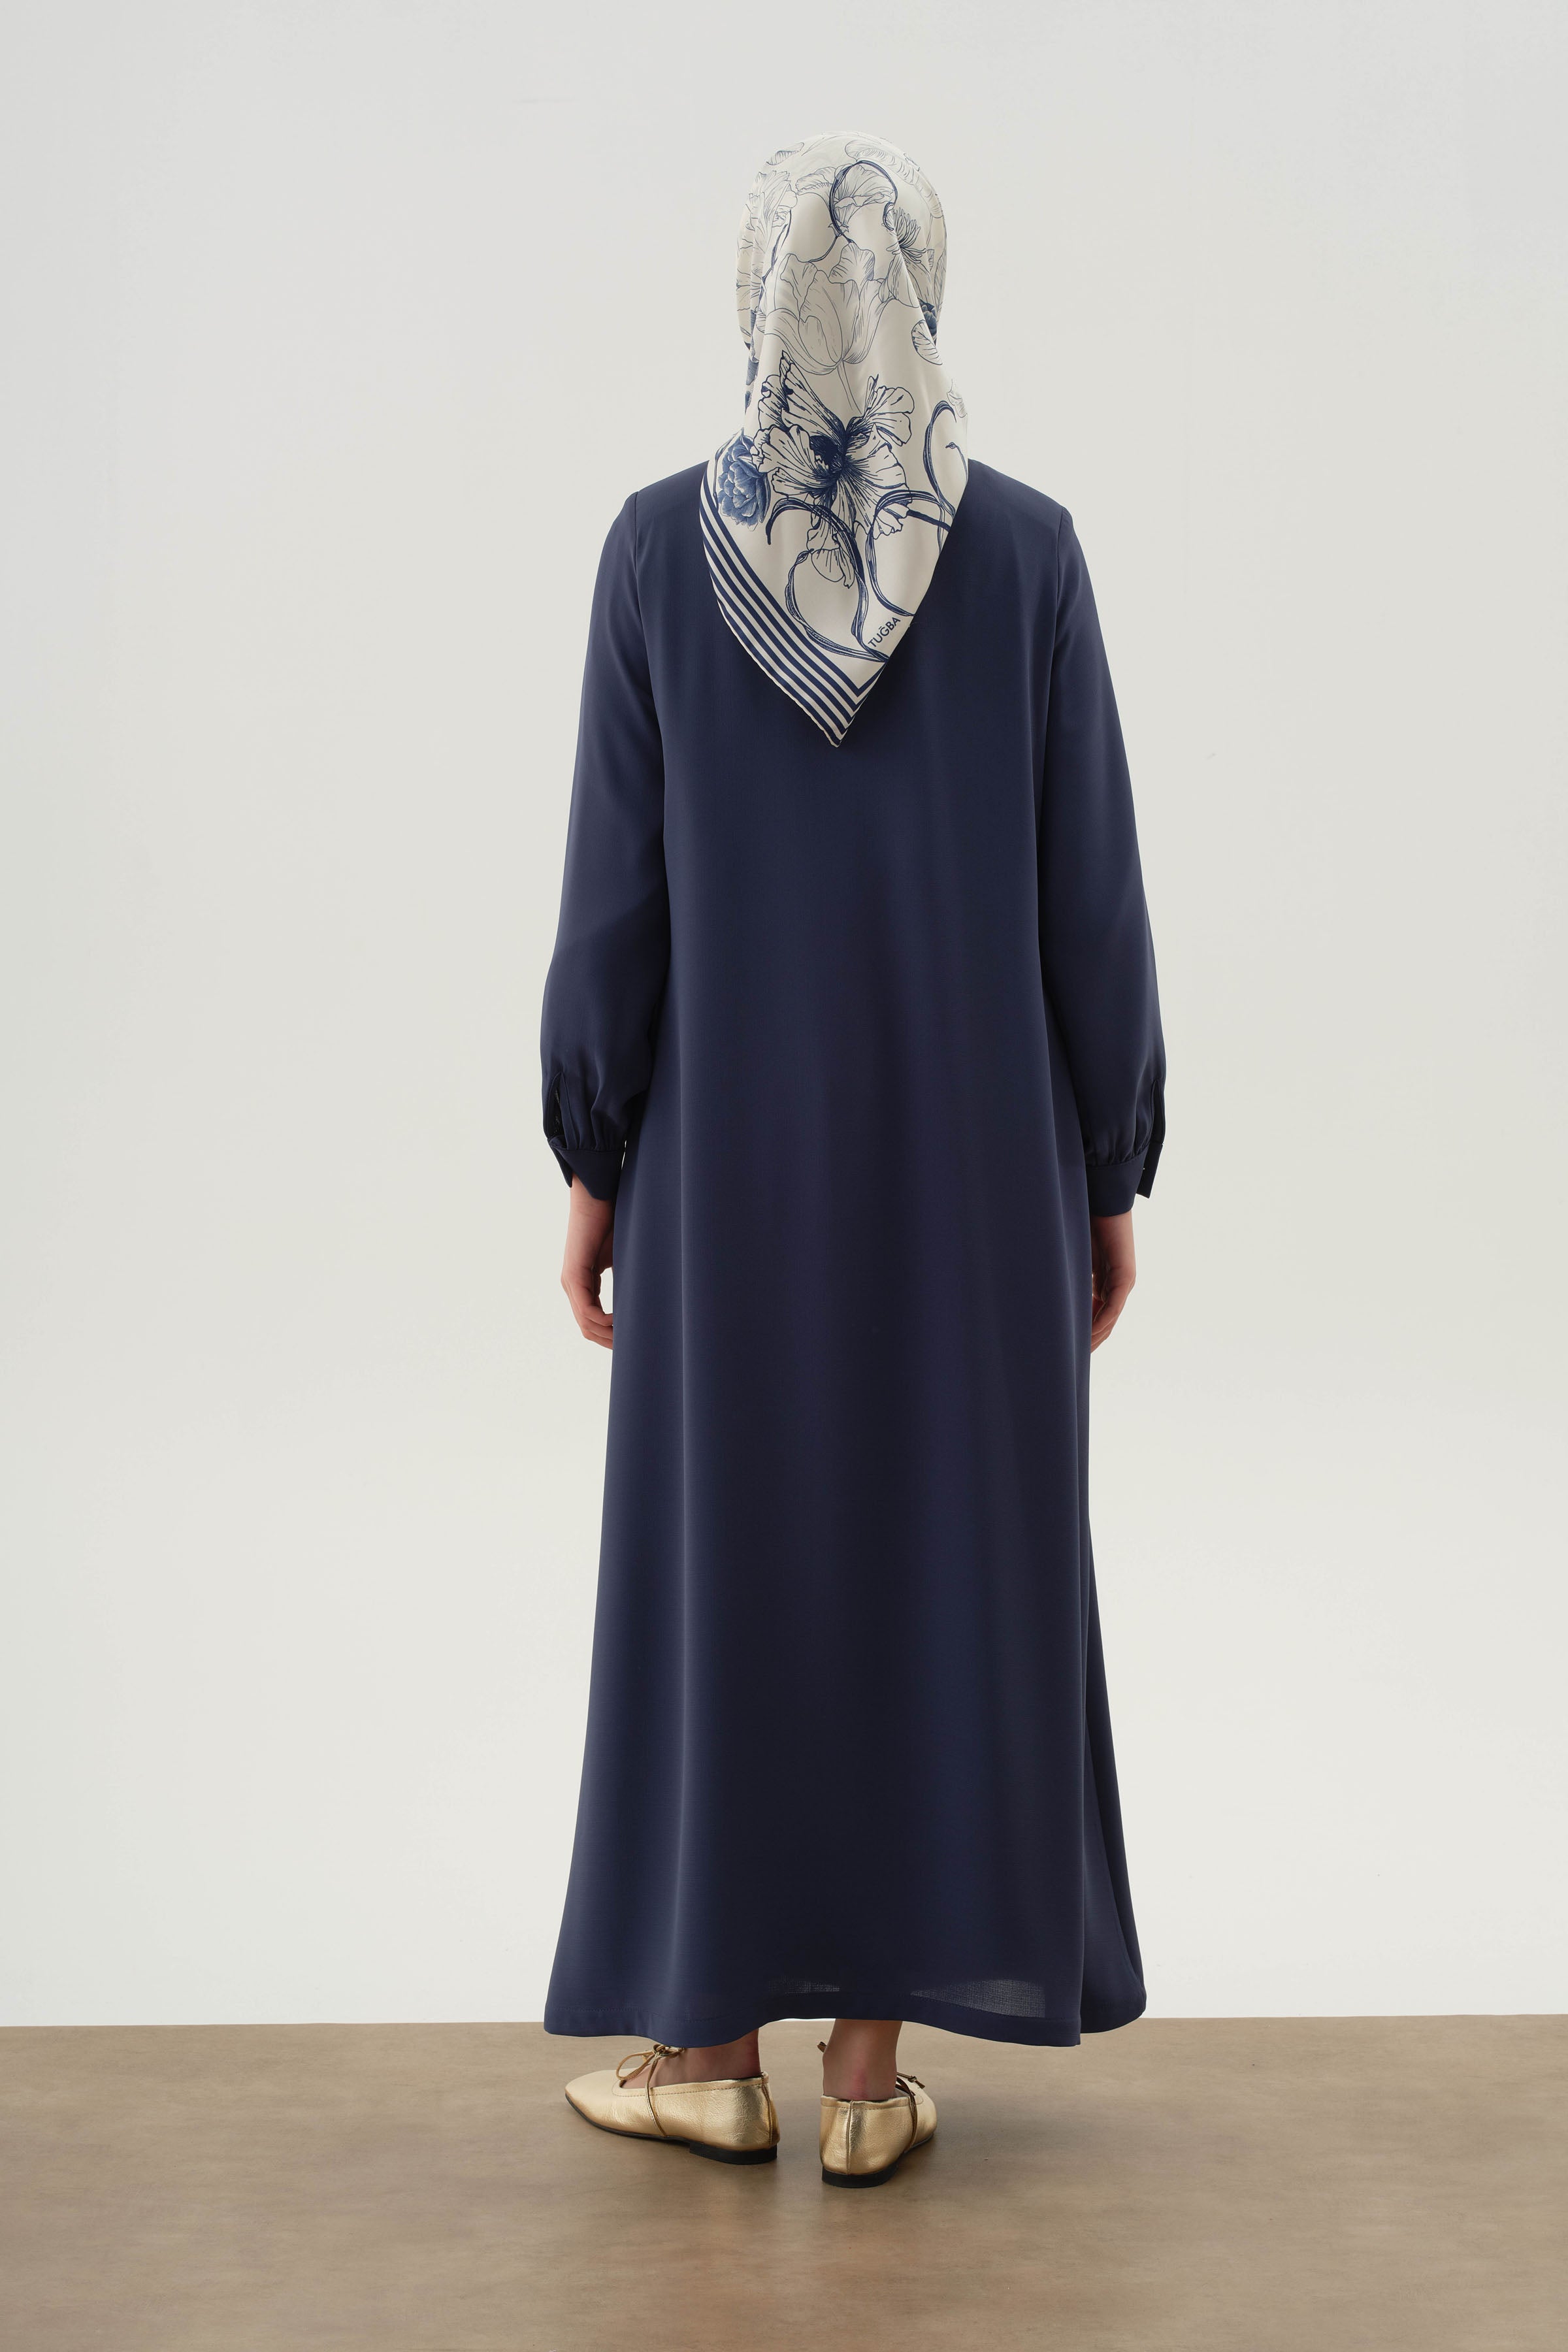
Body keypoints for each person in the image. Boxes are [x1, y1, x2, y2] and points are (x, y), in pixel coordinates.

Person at [539, 133, 1166, 2189]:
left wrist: (596, 1162)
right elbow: (1092, 907)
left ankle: (704, 2054)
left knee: (733, 1562)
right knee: (926, 1555)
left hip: (727, 1179)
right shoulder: (1029, 556)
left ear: (757, 295)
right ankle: (869, 2083)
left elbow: (617, 905)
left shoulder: (659, 555)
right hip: (976, 1179)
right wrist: (1107, 1175)